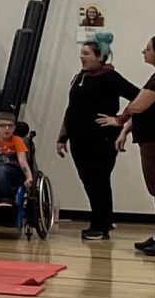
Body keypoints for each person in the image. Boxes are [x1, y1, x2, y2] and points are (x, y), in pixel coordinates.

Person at [59, 36, 137, 242]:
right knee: (89, 181)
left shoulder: (110, 77)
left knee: (98, 181)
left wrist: (120, 119)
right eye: (81, 53)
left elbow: (138, 97)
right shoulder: (80, 76)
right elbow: (72, 108)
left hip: (100, 138)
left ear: (100, 57)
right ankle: (105, 219)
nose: (81, 57)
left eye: (86, 54)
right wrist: (62, 136)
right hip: (78, 137)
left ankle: (99, 225)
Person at [111, 35, 155, 257]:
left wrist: (120, 119)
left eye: (148, 49)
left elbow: (138, 105)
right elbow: (144, 109)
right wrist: (126, 130)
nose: (143, 52)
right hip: (153, 139)